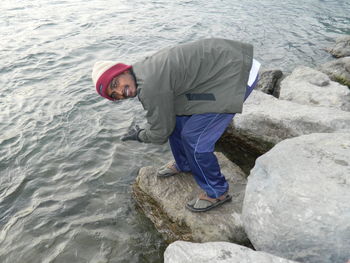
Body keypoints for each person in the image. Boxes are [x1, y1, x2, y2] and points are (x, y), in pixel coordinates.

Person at [92, 38, 260, 212]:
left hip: (237, 72)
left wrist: (140, 135)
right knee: (176, 119)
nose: (120, 92)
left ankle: (217, 191)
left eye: (115, 83)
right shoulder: (142, 71)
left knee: (194, 140)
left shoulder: (149, 85)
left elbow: (159, 134)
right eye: (114, 95)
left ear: (123, 71)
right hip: (221, 67)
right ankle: (185, 163)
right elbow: (167, 120)